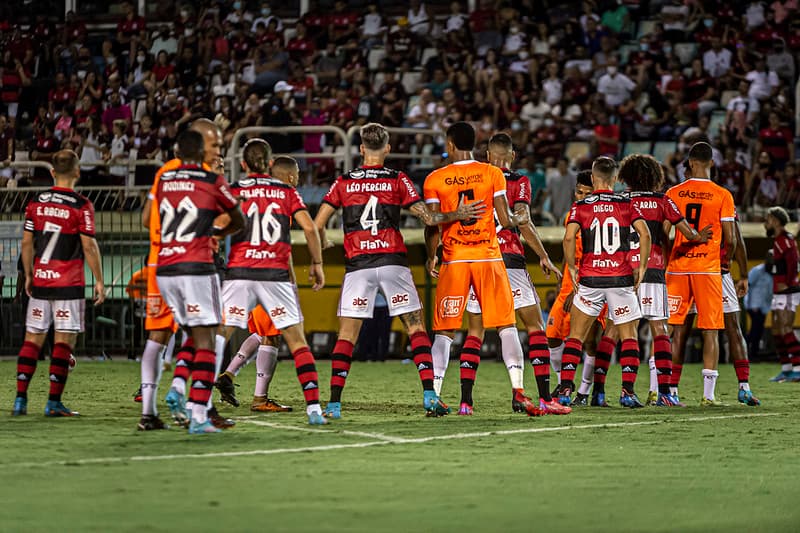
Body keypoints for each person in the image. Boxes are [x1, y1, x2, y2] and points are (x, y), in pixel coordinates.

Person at [314, 122, 484, 418]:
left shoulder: (344, 182)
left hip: (359, 266)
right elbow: (428, 218)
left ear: (362, 149)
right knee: (415, 328)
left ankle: (334, 404)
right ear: (388, 149)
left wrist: (325, 242)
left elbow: (316, 225)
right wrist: (457, 214)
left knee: (347, 336)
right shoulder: (396, 179)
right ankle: (430, 396)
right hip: (392, 261)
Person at [434, 133, 570, 416]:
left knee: (474, 332)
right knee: (532, 327)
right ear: (513, 156)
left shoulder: (476, 177)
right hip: (507, 259)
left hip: (473, 260)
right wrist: (543, 255)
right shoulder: (518, 181)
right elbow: (522, 219)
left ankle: (465, 402)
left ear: (487, 156)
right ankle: (542, 397)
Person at [212, 144, 327, 425]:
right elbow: (311, 228)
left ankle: (199, 399)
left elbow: (218, 223)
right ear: (270, 162)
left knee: (219, 333)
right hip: (274, 274)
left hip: (240, 271)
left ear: (242, 163)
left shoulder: (235, 189)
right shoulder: (286, 192)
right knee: (297, 340)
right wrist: (317, 264)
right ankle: (314, 409)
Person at [423, 122, 531, 416]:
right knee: (506, 326)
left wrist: (431, 256)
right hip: (488, 257)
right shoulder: (492, 173)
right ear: (475, 144)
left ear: (449, 144)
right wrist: (519, 216)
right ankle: (519, 391)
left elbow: (432, 223)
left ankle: (434, 395)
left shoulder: (435, 178)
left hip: (455, 259)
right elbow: (506, 220)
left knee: (445, 331)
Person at [138, 118, 233, 431]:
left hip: (161, 265)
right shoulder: (204, 176)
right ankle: (197, 406)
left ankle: (154, 411)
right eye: (216, 144)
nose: (220, 150)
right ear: (201, 143)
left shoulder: (166, 174)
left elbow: (147, 217)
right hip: (193, 262)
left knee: (165, 335)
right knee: (206, 332)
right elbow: (232, 216)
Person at [600, 155, 711, 407]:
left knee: (613, 331)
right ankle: (665, 393)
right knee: (659, 329)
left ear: (627, 176)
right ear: (655, 177)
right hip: (652, 270)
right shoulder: (663, 201)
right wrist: (699, 236)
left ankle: (601, 391)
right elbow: (686, 232)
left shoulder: (620, 200)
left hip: (622, 274)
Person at [12, 150, 105, 417]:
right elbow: (88, 245)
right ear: (78, 172)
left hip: (41, 279)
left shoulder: (36, 201)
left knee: (33, 339)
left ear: (52, 172)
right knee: (64, 341)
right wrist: (99, 280)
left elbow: (27, 242)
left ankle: (20, 399)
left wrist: (29, 274)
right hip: (68, 282)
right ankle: (53, 402)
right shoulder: (81, 205)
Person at [560, 156, 651, 408]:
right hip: (620, 279)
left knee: (576, 337)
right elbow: (645, 233)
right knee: (628, 336)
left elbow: (569, 238)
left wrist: (571, 267)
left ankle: (566, 389)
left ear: (592, 178)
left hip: (590, 279)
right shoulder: (626, 203)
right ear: (615, 179)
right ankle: (627, 392)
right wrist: (641, 266)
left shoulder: (581, 206)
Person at [666, 142, 736, 406]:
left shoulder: (674, 192)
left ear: (690, 162)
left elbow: (663, 233)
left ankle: (667, 391)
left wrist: (667, 258)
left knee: (671, 330)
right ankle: (708, 396)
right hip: (708, 270)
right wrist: (725, 262)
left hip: (678, 268)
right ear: (712, 163)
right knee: (711, 331)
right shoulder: (722, 194)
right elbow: (730, 238)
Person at [546, 171, 606, 407]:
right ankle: (564, 383)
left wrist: (577, 289)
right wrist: (562, 280)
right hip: (569, 285)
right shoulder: (572, 214)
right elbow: (568, 248)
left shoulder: (596, 217)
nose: (581, 196)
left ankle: (582, 390)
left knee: (588, 341)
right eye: (579, 192)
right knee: (551, 336)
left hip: (591, 284)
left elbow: (592, 256)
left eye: (587, 193)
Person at [765, 207, 800, 382]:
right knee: (776, 330)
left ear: (777, 221)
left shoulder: (785, 240)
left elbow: (794, 260)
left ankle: (798, 368)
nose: (766, 223)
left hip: (788, 291)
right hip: (779, 292)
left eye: (769, 220)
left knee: (786, 328)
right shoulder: (779, 241)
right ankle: (787, 369)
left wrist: (789, 280)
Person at [744, 257, 773, 359]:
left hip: (764, 306)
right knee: (755, 331)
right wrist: (752, 305)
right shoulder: (757, 271)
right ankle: (748, 353)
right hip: (754, 306)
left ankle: (753, 353)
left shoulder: (773, 272)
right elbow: (748, 285)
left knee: (758, 330)